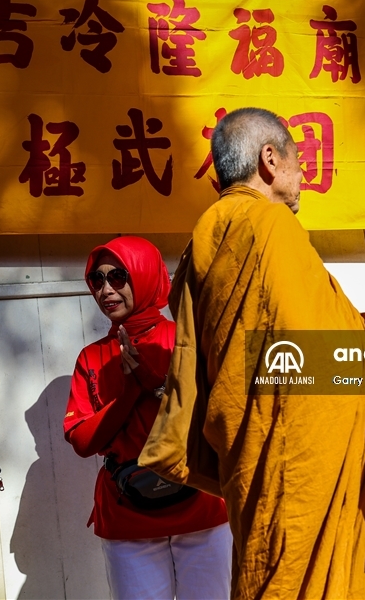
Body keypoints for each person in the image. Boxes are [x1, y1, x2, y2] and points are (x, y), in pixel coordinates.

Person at [139, 107, 365, 599]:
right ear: (269, 159)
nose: (303, 175)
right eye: (298, 159)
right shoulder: (268, 226)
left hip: (253, 450)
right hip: (299, 462)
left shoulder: (205, 236)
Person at [64, 236, 231, 600]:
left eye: (118, 276)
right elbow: (81, 441)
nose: (106, 289)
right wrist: (129, 394)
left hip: (202, 505)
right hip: (128, 515)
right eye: (97, 279)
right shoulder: (91, 358)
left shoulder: (187, 341)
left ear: (144, 275)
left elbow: (221, 417)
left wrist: (158, 386)